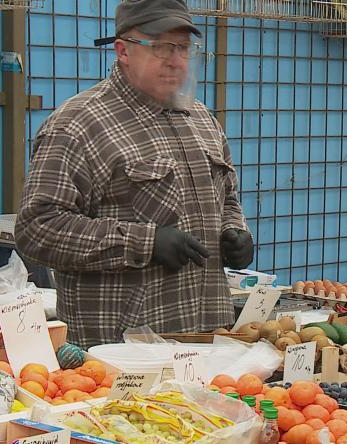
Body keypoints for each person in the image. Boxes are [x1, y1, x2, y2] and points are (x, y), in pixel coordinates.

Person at [15, 0, 253, 348]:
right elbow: (37, 229)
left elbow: (228, 197)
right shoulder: (78, 125)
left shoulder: (202, 120)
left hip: (205, 340)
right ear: (123, 51)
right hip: (120, 354)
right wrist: (144, 243)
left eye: (184, 48)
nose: (176, 60)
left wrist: (236, 231)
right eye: (161, 47)